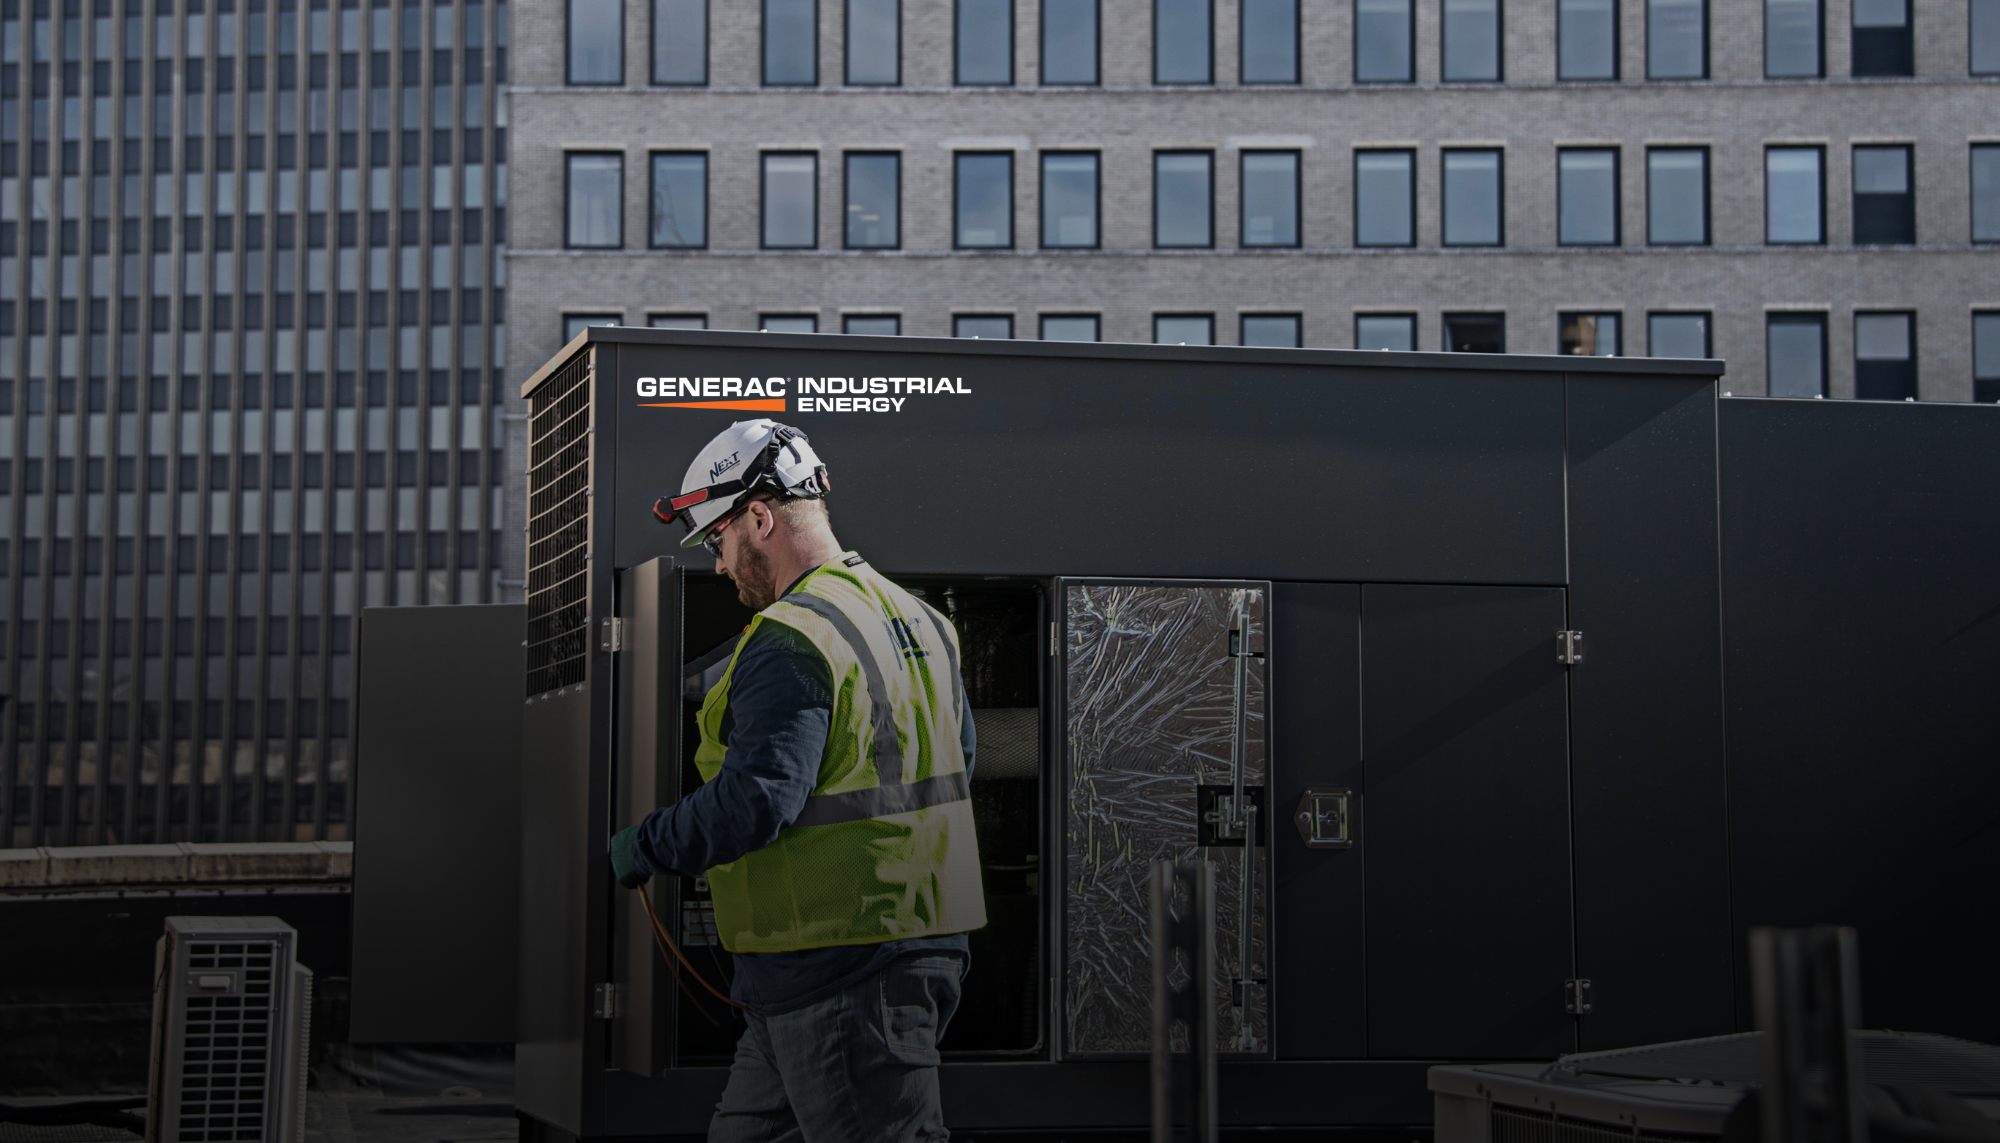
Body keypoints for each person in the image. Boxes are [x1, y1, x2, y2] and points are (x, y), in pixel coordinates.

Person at [608, 418, 986, 1143]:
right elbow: (958, 764)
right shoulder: (922, 620)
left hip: (843, 966)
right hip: (852, 960)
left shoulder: (792, 636)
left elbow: (756, 801)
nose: (718, 565)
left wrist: (646, 844)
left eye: (716, 539)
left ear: (759, 516)